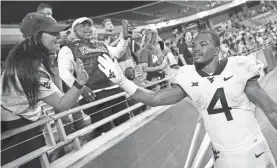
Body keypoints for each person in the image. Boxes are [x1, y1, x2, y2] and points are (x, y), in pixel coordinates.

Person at [98, 31, 277, 168]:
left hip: (253, 150)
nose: (196, 48)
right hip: (222, 155)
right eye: (194, 45)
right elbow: (153, 98)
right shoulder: (188, 77)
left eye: (203, 44)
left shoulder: (238, 67)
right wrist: (122, 81)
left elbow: (270, 109)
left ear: (217, 50)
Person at [1, 12, 88, 167]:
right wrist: (79, 82)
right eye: (53, 33)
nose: (59, 36)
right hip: (19, 132)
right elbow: (62, 104)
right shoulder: (31, 68)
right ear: (37, 37)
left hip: (17, 125)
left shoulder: (24, 58)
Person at [58, 17, 131, 138]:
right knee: (104, 132)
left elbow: (118, 53)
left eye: (89, 25)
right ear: (74, 31)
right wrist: (80, 87)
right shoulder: (68, 49)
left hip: (115, 90)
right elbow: (64, 73)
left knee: (125, 126)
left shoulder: (102, 45)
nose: (87, 28)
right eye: (83, 25)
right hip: (94, 95)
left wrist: (124, 38)